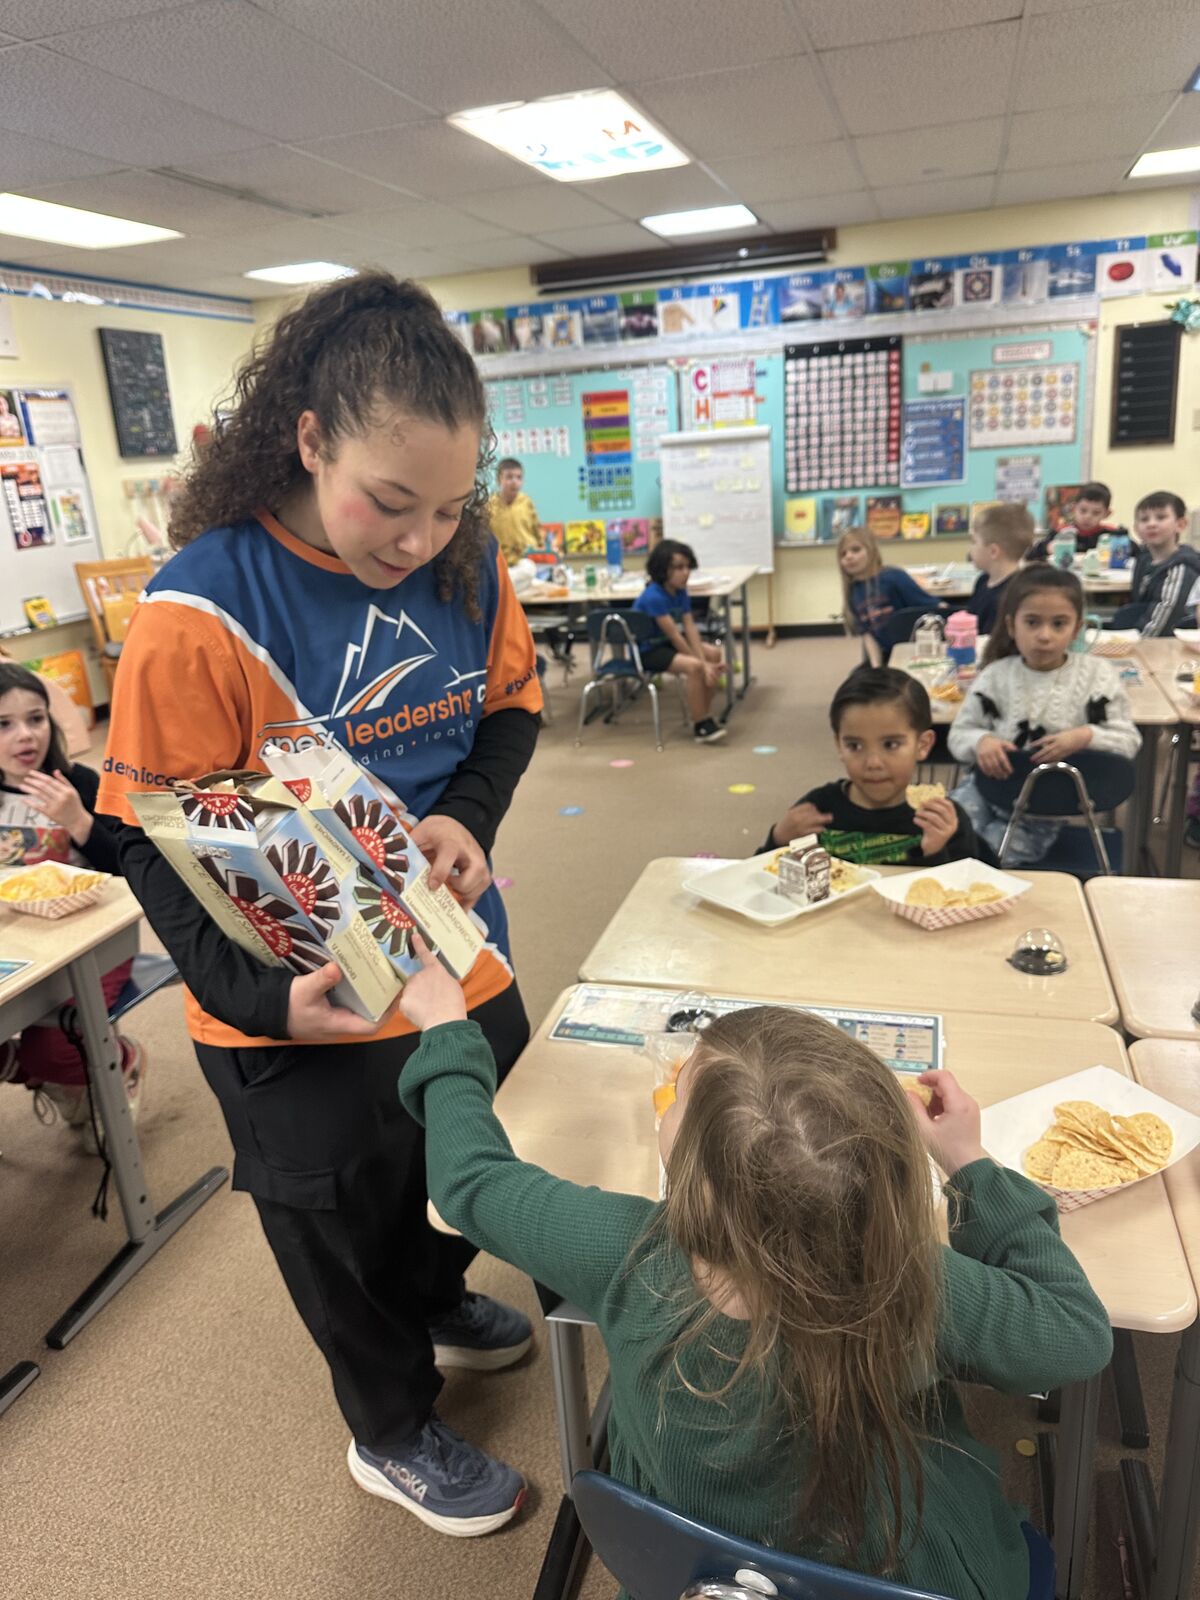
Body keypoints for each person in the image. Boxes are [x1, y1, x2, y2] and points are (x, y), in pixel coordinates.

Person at [96, 273, 543, 1536]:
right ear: (308, 439)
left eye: (450, 506)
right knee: (337, 1204)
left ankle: (439, 1289)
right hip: (292, 991)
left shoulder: (468, 561)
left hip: (455, 955)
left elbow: (508, 712)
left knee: (455, 1154)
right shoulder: (201, 611)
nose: (418, 540)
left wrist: (468, 812)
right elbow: (145, 842)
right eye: (388, 503)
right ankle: (390, 1427)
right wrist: (257, 1000)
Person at [395, 960, 1112, 1597]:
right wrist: (972, 1166)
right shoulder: (913, 1277)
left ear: (696, 1180)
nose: (672, 1094)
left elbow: (467, 1179)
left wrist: (448, 1030)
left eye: (681, 1095)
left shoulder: (627, 1249)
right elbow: (1076, 1337)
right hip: (916, 1576)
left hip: (685, 1572)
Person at [0, 663, 142, 1142]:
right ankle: (46, 1075)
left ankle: (119, 1059)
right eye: (4, 724)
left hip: (97, 941)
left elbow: (132, 867)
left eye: (36, 719)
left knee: (55, 1047)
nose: (25, 736)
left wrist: (79, 821)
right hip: (21, 947)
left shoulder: (78, 781)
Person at [949, 567, 1140, 864]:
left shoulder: (1097, 677)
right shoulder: (996, 676)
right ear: (1012, 626)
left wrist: (1084, 736)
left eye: (1059, 624)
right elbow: (959, 735)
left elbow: (1128, 741)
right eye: (1032, 622)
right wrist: (981, 741)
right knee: (946, 839)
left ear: (1076, 629)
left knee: (988, 858)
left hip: (1042, 807)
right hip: (985, 790)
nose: (1044, 636)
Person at [759, 666, 993, 866]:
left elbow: (970, 897)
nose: (872, 763)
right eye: (855, 746)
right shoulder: (818, 811)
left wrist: (936, 852)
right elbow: (757, 881)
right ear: (839, 745)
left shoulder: (943, 820)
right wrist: (778, 840)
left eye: (890, 744)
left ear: (922, 745)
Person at [632, 538, 726, 744]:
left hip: (665, 643)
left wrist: (707, 662)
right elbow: (675, 636)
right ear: (662, 569)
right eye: (678, 568)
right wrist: (702, 665)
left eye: (687, 567)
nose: (685, 573)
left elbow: (690, 628)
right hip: (649, 650)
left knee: (713, 653)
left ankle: (704, 714)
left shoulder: (681, 591)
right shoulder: (653, 596)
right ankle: (700, 724)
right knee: (694, 667)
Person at [1107, 490, 1199, 638]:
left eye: (1161, 517)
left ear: (1181, 524)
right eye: (1144, 519)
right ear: (1136, 529)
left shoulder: (1181, 568)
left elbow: (1160, 625)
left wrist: (1127, 644)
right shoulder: (1143, 559)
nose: (1151, 524)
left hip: (1164, 646)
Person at [837, 527, 935, 665]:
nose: (848, 556)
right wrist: (877, 668)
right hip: (886, 654)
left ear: (871, 551)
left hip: (913, 651)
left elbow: (934, 609)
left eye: (856, 550)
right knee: (856, 681)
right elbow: (869, 636)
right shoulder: (854, 593)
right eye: (843, 554)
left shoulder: (894, 577)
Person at [943, 502, 1034, 637]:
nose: (970, 549)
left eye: (974, 542)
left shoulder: (1009, 597)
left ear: (993, 551)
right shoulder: (983, 581)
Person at [1031, 482, 1125, 559]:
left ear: (1107, 514)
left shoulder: (1111, 535)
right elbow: (1032, 554)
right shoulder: (1062, 532)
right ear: (1073, 508)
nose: (1088, 517)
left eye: (1096, 513)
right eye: (1083, 511)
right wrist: (1047, 548)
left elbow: (1134, 552)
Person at [487, 458, 540, 568]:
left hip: (526, 559)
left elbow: (537, 530)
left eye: (519, 477)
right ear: (499, 479)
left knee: (527, 570)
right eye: (509, 477)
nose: (514, 481)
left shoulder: (526, 503)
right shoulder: (490, 506)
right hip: (500, 562)